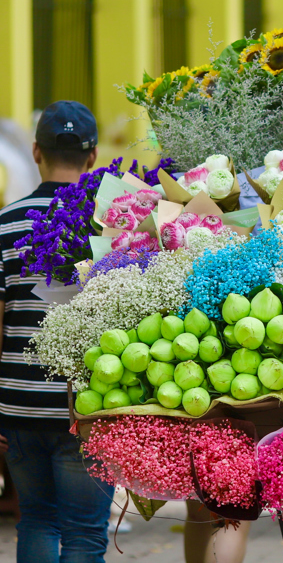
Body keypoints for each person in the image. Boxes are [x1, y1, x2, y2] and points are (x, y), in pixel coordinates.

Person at [0, 101, 113, 562]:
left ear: (34, 152)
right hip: (89, 403)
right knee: (85, 534)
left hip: (19, 405)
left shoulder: (5, 224)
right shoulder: (112, 221)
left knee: (37, 521)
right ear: (92, 157)